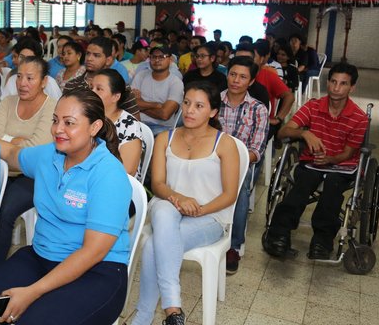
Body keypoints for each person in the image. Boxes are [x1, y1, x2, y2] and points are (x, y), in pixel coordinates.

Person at [0, 89, 132, 325]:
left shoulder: (109, 175)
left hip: (96, 272)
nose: (58, 129)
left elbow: (92, 252)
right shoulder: (50, 155)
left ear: (94, 127)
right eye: (55, 120)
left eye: (69, 123)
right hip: (40, 257)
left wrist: (33, 291)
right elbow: (12, 153)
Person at [131, 82, 240, 325]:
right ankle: (172, 309)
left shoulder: (225, 143)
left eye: (199, 106)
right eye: (187, 103)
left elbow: (229, 195)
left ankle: (146, 316)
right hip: (169, 205)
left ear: (213, 112)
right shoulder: (165, 138)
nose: (190, 110)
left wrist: (198, 209)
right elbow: (158, 184)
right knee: (163, 209)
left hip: (210, 216)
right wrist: (180, 199)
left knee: (153, 246)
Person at [263, 63, 368, 260]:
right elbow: (284, 131)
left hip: (342, 166)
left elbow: (347, 154)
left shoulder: (359, 118)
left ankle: (322, 240)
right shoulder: (312, 106)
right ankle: (279, 234)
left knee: (332, 189)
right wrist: (304, 133)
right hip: (311, 163)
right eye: (334, 82)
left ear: (351, 87)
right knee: (301, 186)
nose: (337, 88)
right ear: (327, 83)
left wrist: (330, 159)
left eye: (343, 84)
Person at [0, 55, 57, 272]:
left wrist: (5, 140)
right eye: (19, 77)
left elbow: (34, 152)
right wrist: (15, 143)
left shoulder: (52, 107)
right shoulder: (8, 103)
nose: (22, 83)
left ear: (44, 81)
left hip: (36, 175)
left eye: (30, 78)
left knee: (3, 210)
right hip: (0, 170)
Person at [217, 57, 269, 274]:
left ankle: (233, 245)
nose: (236, 80)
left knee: (240, 182)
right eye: (232, 74)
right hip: (208, 157)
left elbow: (257, 150)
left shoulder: (258, 109)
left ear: (251, 81)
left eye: (243, 77)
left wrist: (232, 160)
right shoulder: (212, 101)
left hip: (241, 162)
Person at [64, 37, 141, 118]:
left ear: (108, 60)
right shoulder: (72, 85)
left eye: (96, 55)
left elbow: (135, 123)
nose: (89, 59)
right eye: (88, 53)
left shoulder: (121, 87)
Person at [92, 69, 143, 178]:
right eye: (91, 87)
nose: (91, 92)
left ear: (116, 97)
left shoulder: (129, 125)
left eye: (99, 89)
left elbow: (126, 171)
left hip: (115, 182)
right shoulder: (85, 117)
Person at [132, 45, 184, 135]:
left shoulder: (176, 83)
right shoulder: (141, 76)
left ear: (170, 59)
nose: (156, 60)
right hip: (137, 123)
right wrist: (156, 105)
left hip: (162, 128)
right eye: (153, 57)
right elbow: (130, 102)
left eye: (161, 57)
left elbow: (165, 114)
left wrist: (140, 106)